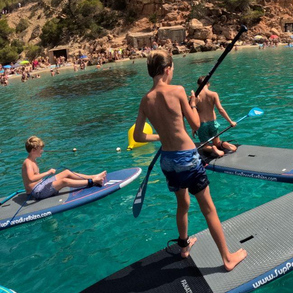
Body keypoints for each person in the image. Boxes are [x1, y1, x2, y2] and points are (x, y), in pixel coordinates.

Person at [133, 50, 246, 271]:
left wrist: (162, 136)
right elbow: (196, 125)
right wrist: (192, 103)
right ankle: (227, 258)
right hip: (186, 158)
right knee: (208, 209)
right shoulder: (177, 91)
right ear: (167, 69)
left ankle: (184, 247)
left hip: (167, 161)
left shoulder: (145, 100)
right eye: (173, 68)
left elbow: (138, 136)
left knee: (182, 204)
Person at [22, 136, 106, 200]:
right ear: (33, 150)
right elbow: (31, 178)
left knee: (67, 172)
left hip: (41, 184)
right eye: (40, 149)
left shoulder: (33, 160)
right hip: (37, 192)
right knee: (64, 181)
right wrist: (48, 172)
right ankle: (93, 181)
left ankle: (93, 176)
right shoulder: (28, 163)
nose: (42, 151)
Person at [195, 76, 237, 158]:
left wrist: (194, 128)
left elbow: (194, 112)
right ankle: (223, 144)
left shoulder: (195, 96)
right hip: (213, 123)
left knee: (204, 146)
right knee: (217, 142)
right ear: (208, 84)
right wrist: (230, 122)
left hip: (202, 124)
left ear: (198, 85)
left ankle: (212, 149)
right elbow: (220, 109)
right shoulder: (213, 94)